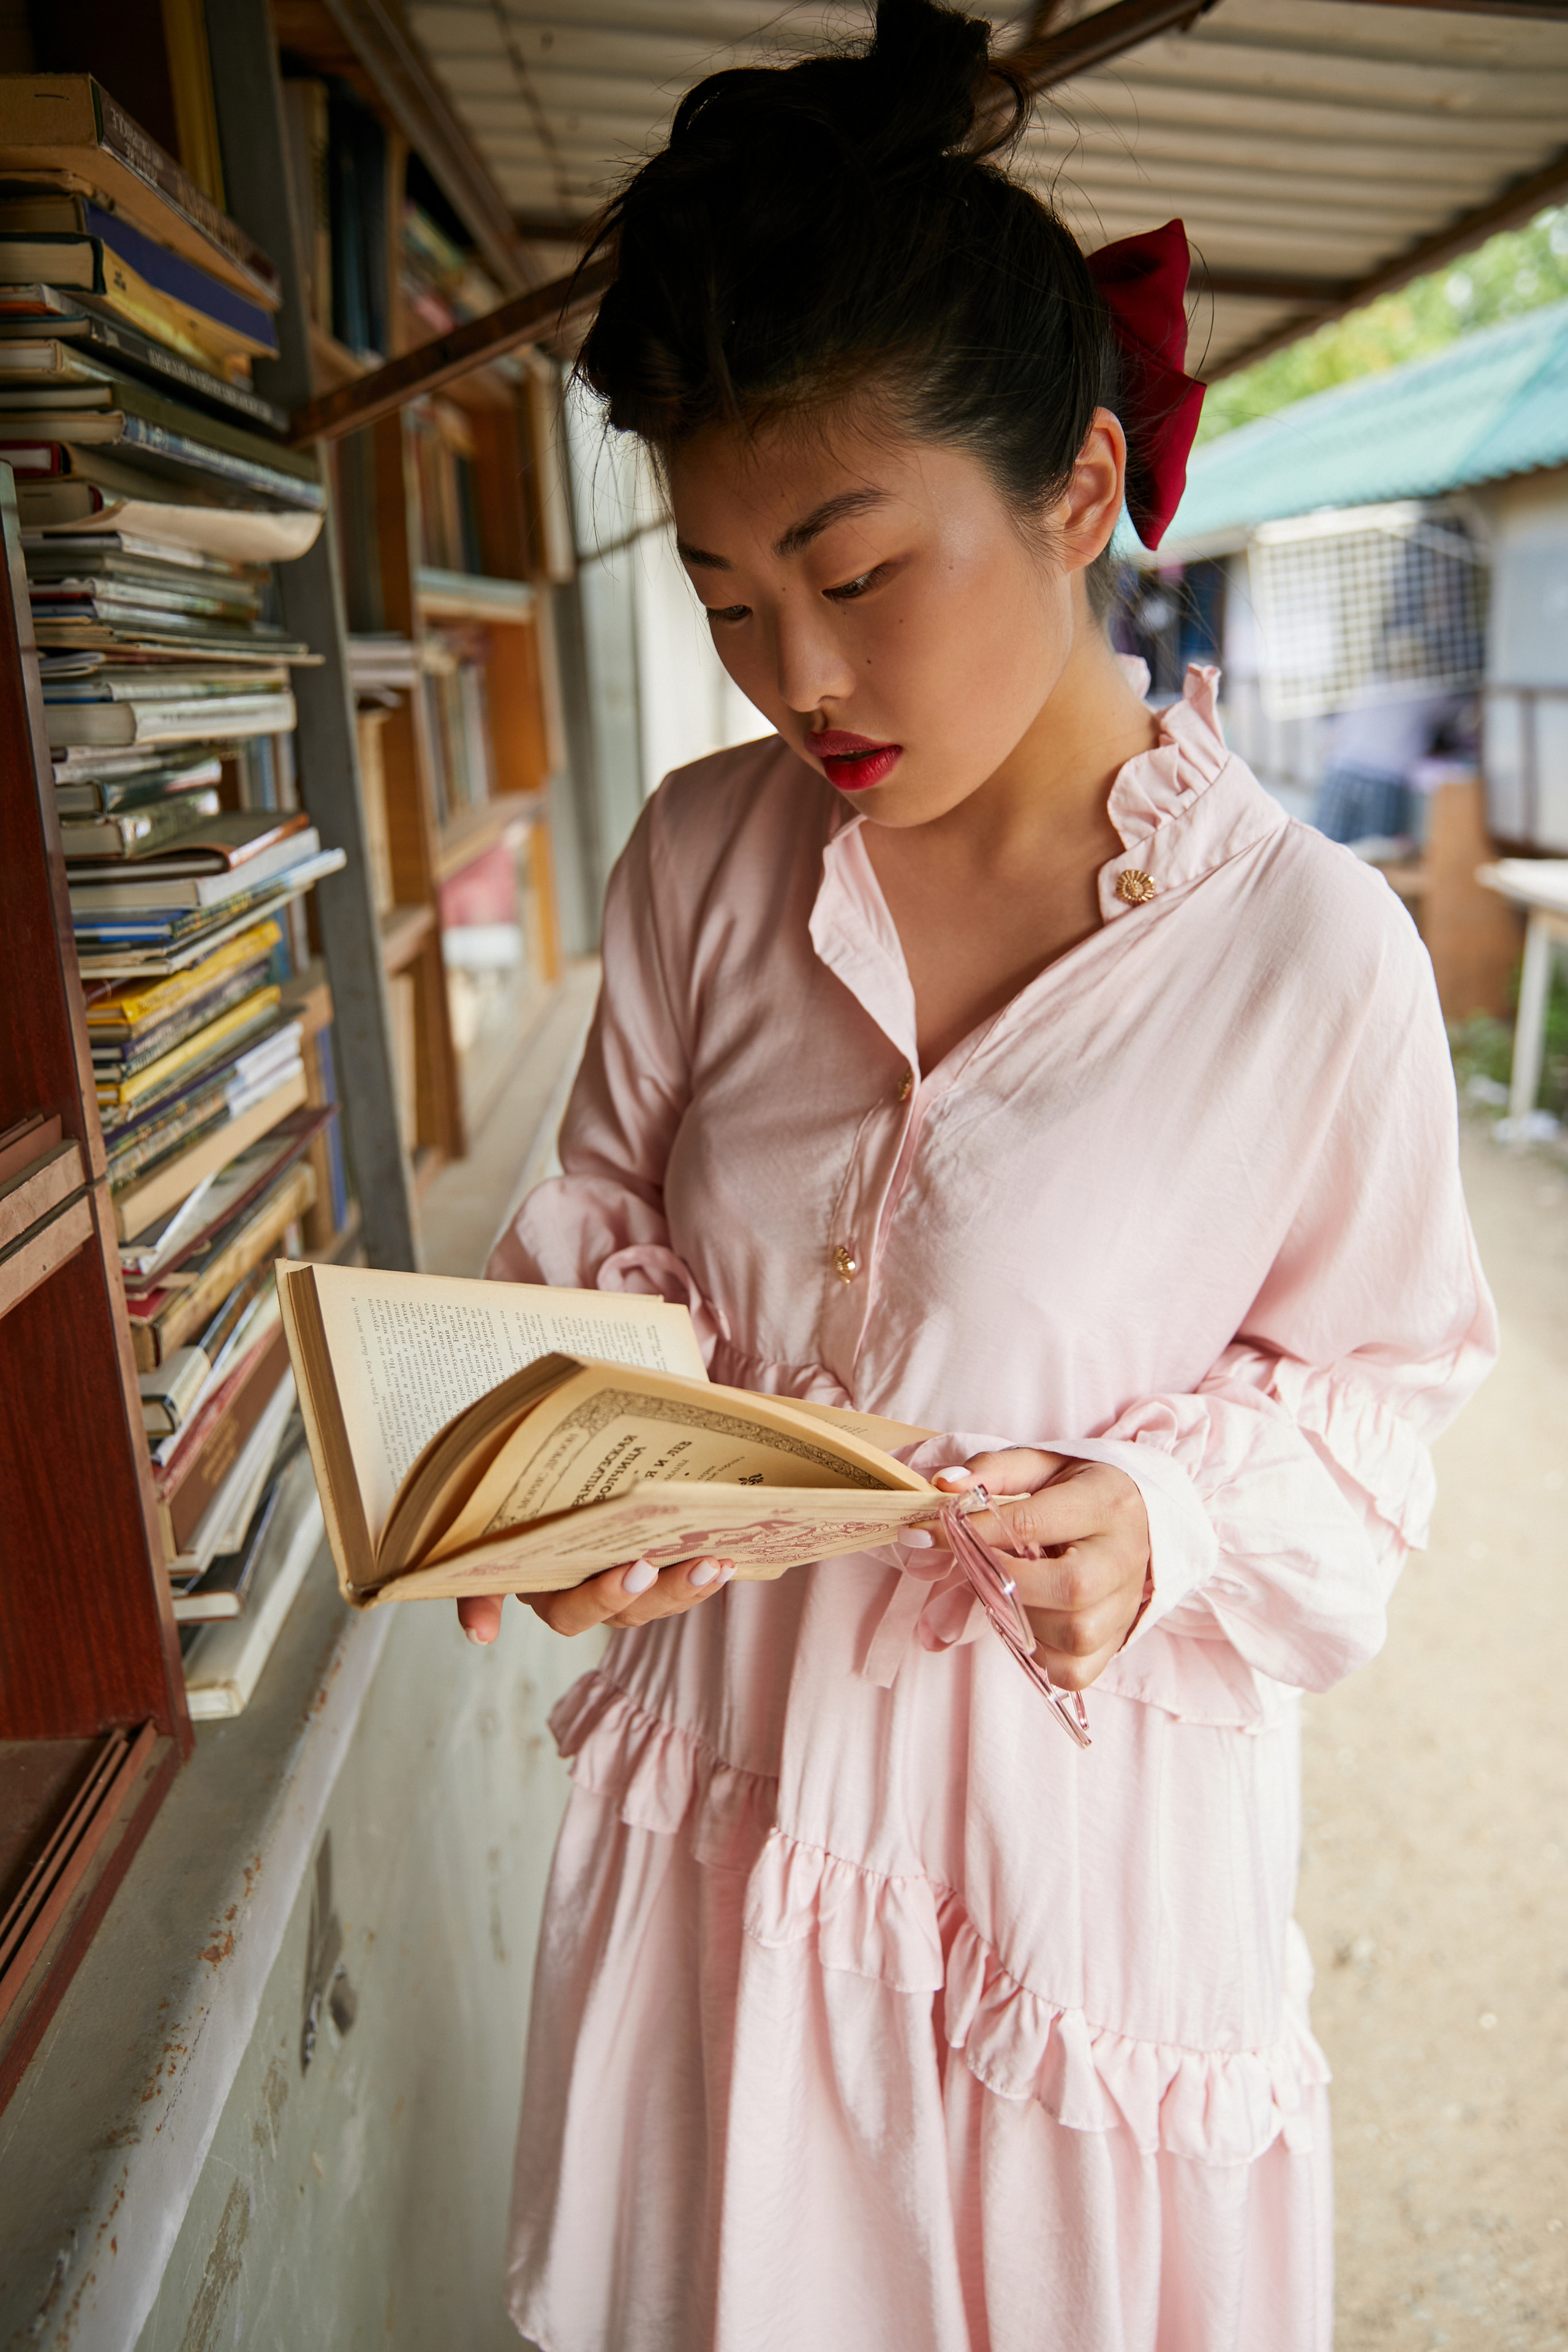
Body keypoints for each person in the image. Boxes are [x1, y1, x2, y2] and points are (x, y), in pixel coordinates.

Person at [461, 5, 1497, 2344]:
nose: (795, 674)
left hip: (1064, 1903)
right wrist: (577, 1482)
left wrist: (1167, 1526)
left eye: (851, 567)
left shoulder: (1302, 961)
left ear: (1074, 484)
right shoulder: (709, 860)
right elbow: (599, 1233)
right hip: (735, 1823)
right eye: (727, 602)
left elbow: (1377, 1402)